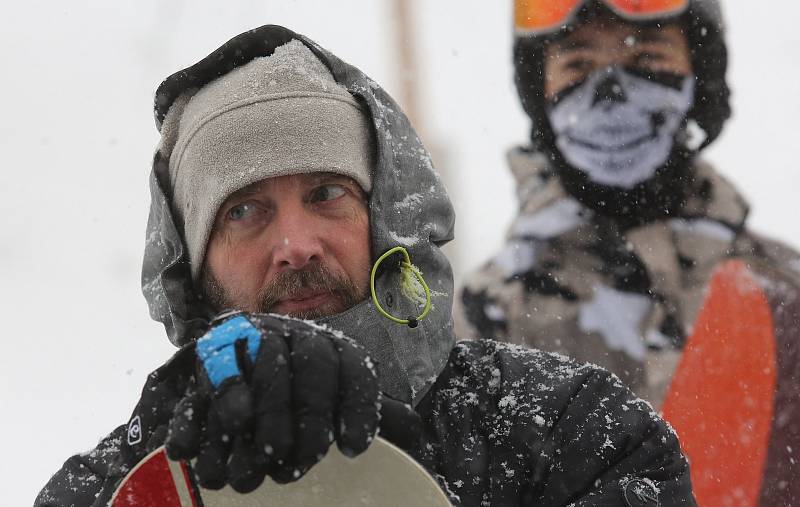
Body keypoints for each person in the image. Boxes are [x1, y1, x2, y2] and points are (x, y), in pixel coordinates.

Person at [36, 25, 695, 507]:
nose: (296, 243)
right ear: (193, 266)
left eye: (327, 194)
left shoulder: (563, 427)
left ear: (384, 220)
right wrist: (165, 456)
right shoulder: (122, 482)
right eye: (244, 212)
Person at [455, 0, 800, 504]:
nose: (612, 92)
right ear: (540, 89)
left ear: (698, 75)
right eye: (578, 65)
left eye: (648, 60)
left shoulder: (781, 290)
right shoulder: (491, 314)